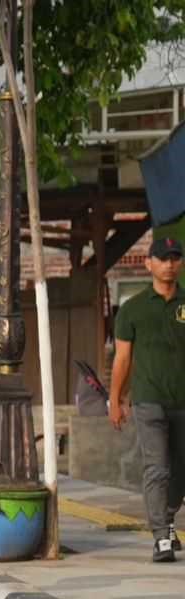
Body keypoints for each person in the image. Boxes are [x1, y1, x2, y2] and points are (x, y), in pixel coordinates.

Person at [110, 235, 185, 563]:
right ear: (149, 263)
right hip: (149, 400)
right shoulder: (133, 309)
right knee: (158, 468)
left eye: (175, 257)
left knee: (181, 471)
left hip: (183, 402)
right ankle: (161, 537)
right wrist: (115, 399)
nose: (169, 264)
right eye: (163, 258)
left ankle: (166, 520)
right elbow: (123, 359)